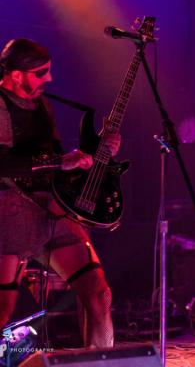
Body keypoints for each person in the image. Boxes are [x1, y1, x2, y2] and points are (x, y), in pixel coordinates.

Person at [0, 38, 120, 348]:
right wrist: (59, 161)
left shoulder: (42, 105)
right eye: (40, 72)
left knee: (99, 294)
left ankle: (101, 364)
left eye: (49, 71)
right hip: (9, 212)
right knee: (2, 310)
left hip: (50, 211)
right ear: (16, 74)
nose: (49, 78)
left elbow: (59, 162)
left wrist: (97, 150)